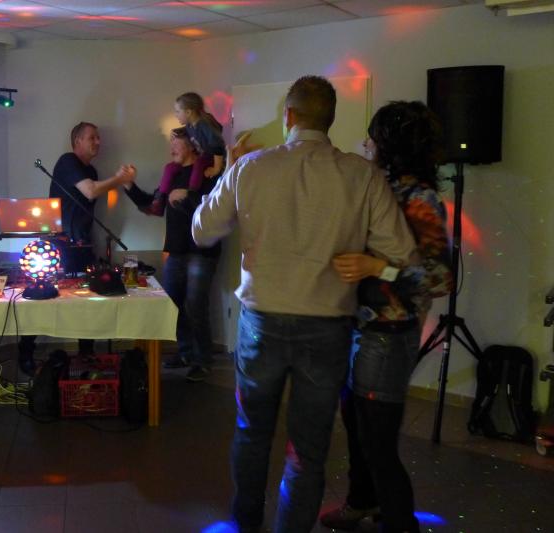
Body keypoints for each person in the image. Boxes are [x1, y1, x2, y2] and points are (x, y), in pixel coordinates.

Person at [190, 75, 418, 533]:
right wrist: (372, 263)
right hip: (328, 327)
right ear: (329, 119)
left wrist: (229, 172)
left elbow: (202, 230)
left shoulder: (251, 167)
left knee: (252, 432)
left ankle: (246, 523)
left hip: (261, 323)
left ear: (289, 115)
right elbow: (404, 255)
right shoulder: (362, 174)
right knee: (308, 450)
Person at [320, 101, 454, 533]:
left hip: (389, 334)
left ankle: (399, 523)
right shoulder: (381, 187)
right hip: (360, 326)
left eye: (373, 137)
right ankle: (362, 503)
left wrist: (379, 267)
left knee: (378, 443)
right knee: (357, 429)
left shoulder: (420, 198)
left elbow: (440, 278)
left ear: (391, 145)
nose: (365, 144)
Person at [18, 122, 134, 374]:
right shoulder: (67, 161)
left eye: (98, 137)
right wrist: (119, 179)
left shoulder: (90, 169)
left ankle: (86, 352)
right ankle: (25, 352)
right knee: (42, 298)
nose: (98, 142)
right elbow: (90, 191)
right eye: (92, 137)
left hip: (82, 244)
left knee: (88, 299)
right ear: (78, 141)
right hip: (57, 245)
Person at [123, 127, 221, 382]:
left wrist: (188, 196)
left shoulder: (208, 173)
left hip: (202, 251)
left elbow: (214, 209)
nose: (171, 148)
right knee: (172, 305)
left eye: (175, 143)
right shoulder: (173, 174)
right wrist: (129, 185)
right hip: (176, 251)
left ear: (192, 144)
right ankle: (186, 353)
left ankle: (203, 361)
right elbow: (154, 206)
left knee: (196, 307)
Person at [146, 92, 225, 216]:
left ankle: (191, 194)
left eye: (178, 111)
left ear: (188, 112)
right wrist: (174, 131)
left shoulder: (204, 125)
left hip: (213, 158)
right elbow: (187, 130)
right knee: (169, 167)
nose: (175, 115)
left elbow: (217, 144)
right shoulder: (190, 125)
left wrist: (217, 168)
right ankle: (160, 202)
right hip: (203, 157)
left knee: (199, 162)